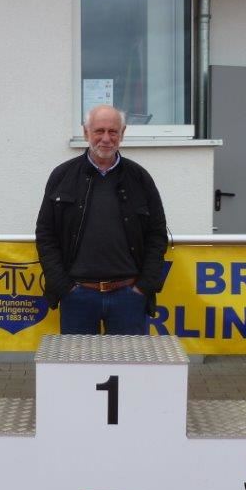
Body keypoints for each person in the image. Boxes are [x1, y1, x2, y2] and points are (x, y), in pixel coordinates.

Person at [35, 104, 168, 334]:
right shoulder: (62, 176)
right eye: (99, 131)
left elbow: (157, 235)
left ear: (122, 133)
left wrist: (144, 287)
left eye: (113, 131)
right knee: (78, 359)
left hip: (128, 298)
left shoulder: (140, 178)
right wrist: (63, 287)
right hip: (77, 297)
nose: (106, 138)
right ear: (86, 132)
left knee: (128, 359)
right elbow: (46, 235)